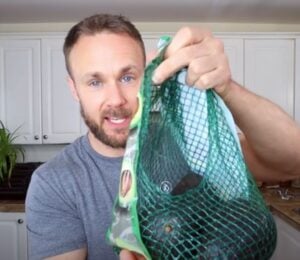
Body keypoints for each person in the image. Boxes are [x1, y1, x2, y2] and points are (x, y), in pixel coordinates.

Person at [25, 13, 300, 260]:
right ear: (74, 89)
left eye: (127, 77)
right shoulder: (54, 182)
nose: (116, 99)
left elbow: (291, 162)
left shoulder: (186, 142)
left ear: (145, 76)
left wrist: (227, 87)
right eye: (95, 82)